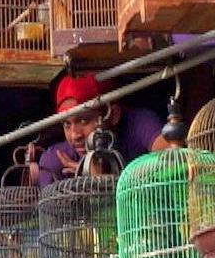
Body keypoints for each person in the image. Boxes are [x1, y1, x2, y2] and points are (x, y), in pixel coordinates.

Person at [38, 73, 167, 187]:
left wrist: (104, 181)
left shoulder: (140, 123)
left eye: (84, 120)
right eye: (67, 124)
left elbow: (171, 157)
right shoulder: (57, 160)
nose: (74, 135)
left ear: (113, 115)